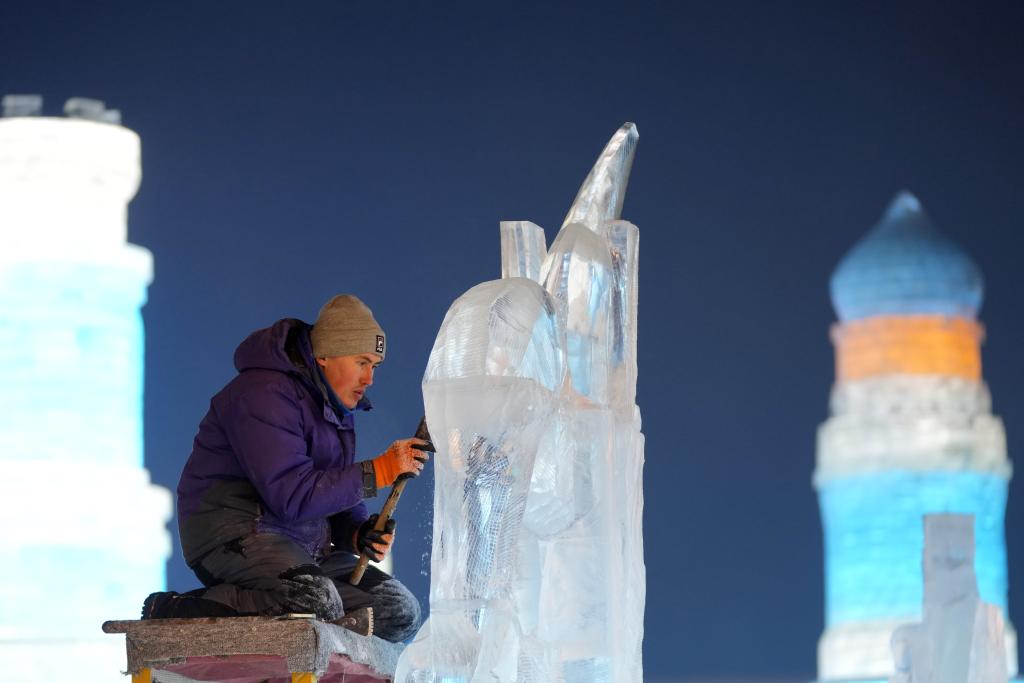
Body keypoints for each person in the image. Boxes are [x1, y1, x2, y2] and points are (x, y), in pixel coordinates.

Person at [142, 294, 427, 642]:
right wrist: (377, 472)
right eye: (362, 362)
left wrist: (355, 532)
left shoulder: (336, 408)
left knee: (398, 612)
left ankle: (310, 635)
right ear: (324, 355)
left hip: (302, 542)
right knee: (314, 603)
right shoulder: (262, 394)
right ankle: (177, 610)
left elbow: (328, 485)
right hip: (236, 532)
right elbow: (292, 495)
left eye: (375, 366)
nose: (369, 378)